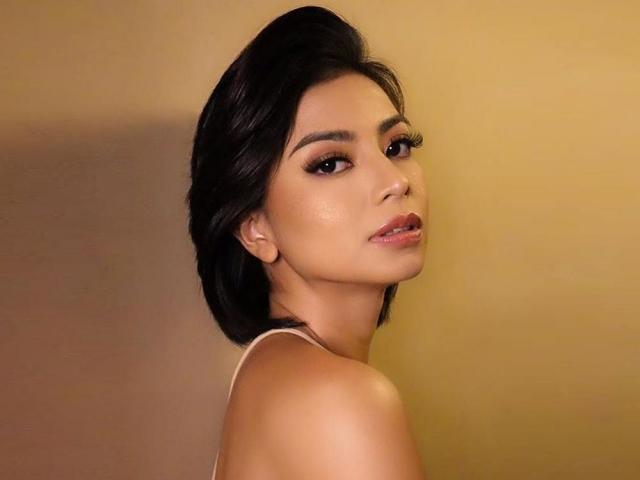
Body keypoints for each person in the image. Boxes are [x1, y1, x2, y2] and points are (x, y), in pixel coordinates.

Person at [186, 5, 429, 479]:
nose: (395, 181)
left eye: (396, 147)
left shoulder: (270, 372)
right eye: (330, 163)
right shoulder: (338, 400)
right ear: (255, 228)